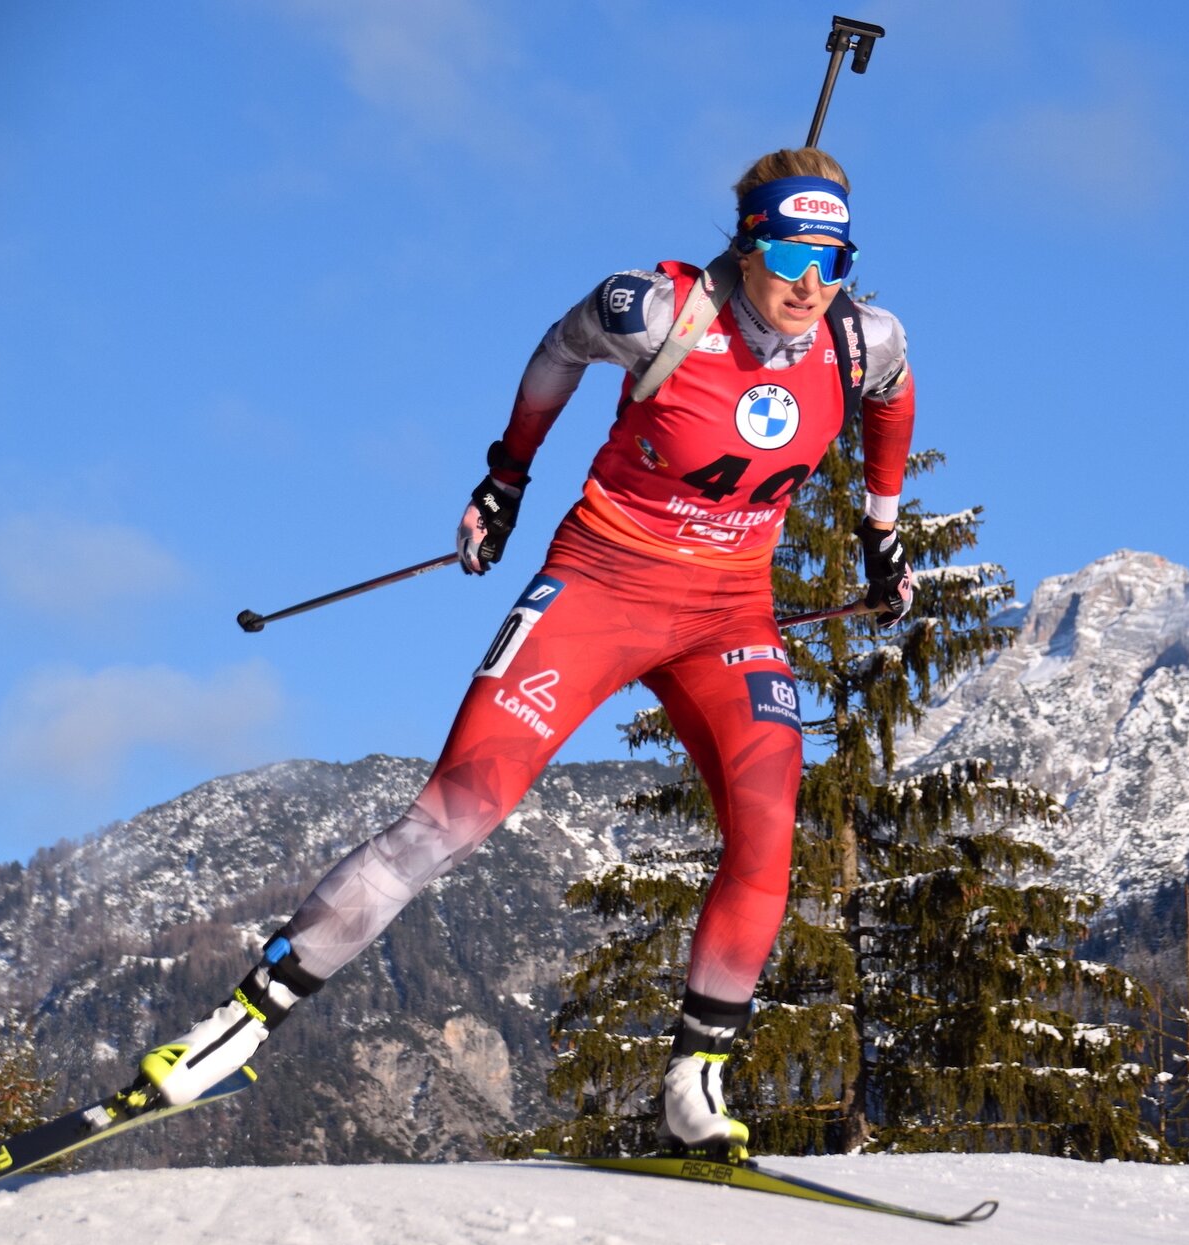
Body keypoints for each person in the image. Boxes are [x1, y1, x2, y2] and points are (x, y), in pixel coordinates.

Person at [132, 148, 916, 1159]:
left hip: (730, 614)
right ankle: (236, 1026)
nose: (813, 284)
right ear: (748, 242)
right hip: (601, 587)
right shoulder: (655, 310)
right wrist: (504, 475)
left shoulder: (858, 338)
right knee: (453, 815)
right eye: (792, 255)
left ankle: (694, 1074)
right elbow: (556, 351)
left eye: (834, 259)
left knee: (767, 829)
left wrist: (880, 528)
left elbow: (892, 397)